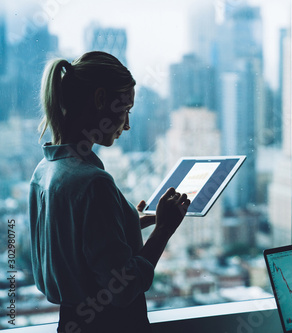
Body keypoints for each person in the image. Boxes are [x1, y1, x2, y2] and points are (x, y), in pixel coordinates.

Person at [29, 51, 190, 333]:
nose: (127, 125)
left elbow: (76, 245)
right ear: (101, 100)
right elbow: (123, 289)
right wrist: (164, 228)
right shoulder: (94, 183)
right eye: (125, 109)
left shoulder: (43, 172)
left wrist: (127, 221)